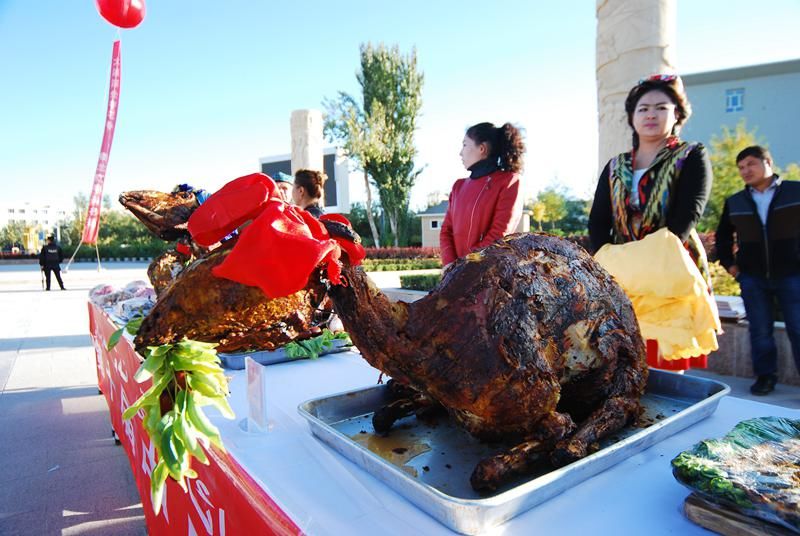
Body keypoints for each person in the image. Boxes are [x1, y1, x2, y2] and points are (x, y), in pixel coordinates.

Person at [588, 74, 713, 371]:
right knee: (619, 361)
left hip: (668, 267)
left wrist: (648, 258)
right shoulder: (615, 166)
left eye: (661, 108)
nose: (651, 115)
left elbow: (688, 214)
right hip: (621, 274)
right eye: (643, 108)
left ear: (677, 114)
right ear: (632, 117)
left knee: (664, 360)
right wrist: (607, 260)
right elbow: (598, 220)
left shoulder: (690, 155)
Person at [715, 146, 800, 395]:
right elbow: (722, 237)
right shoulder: (735, 201)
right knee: (760, 330)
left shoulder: (795, 192)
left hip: (792, 275)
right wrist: (731, 266)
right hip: (752, 278)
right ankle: (765, 377)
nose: (745, 171)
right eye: (741, 167)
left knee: (798, 328)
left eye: (751, 164)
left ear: (768, 163)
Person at [439, 122, 525, 267]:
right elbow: (446, 231)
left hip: (489, 272)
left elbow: (499, 234)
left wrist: (466, 266)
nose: (460, 153)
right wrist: (450, 266)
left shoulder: (509, 181)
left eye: (465, 145)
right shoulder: (458, 186)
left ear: (481, 148)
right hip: (455, 273)